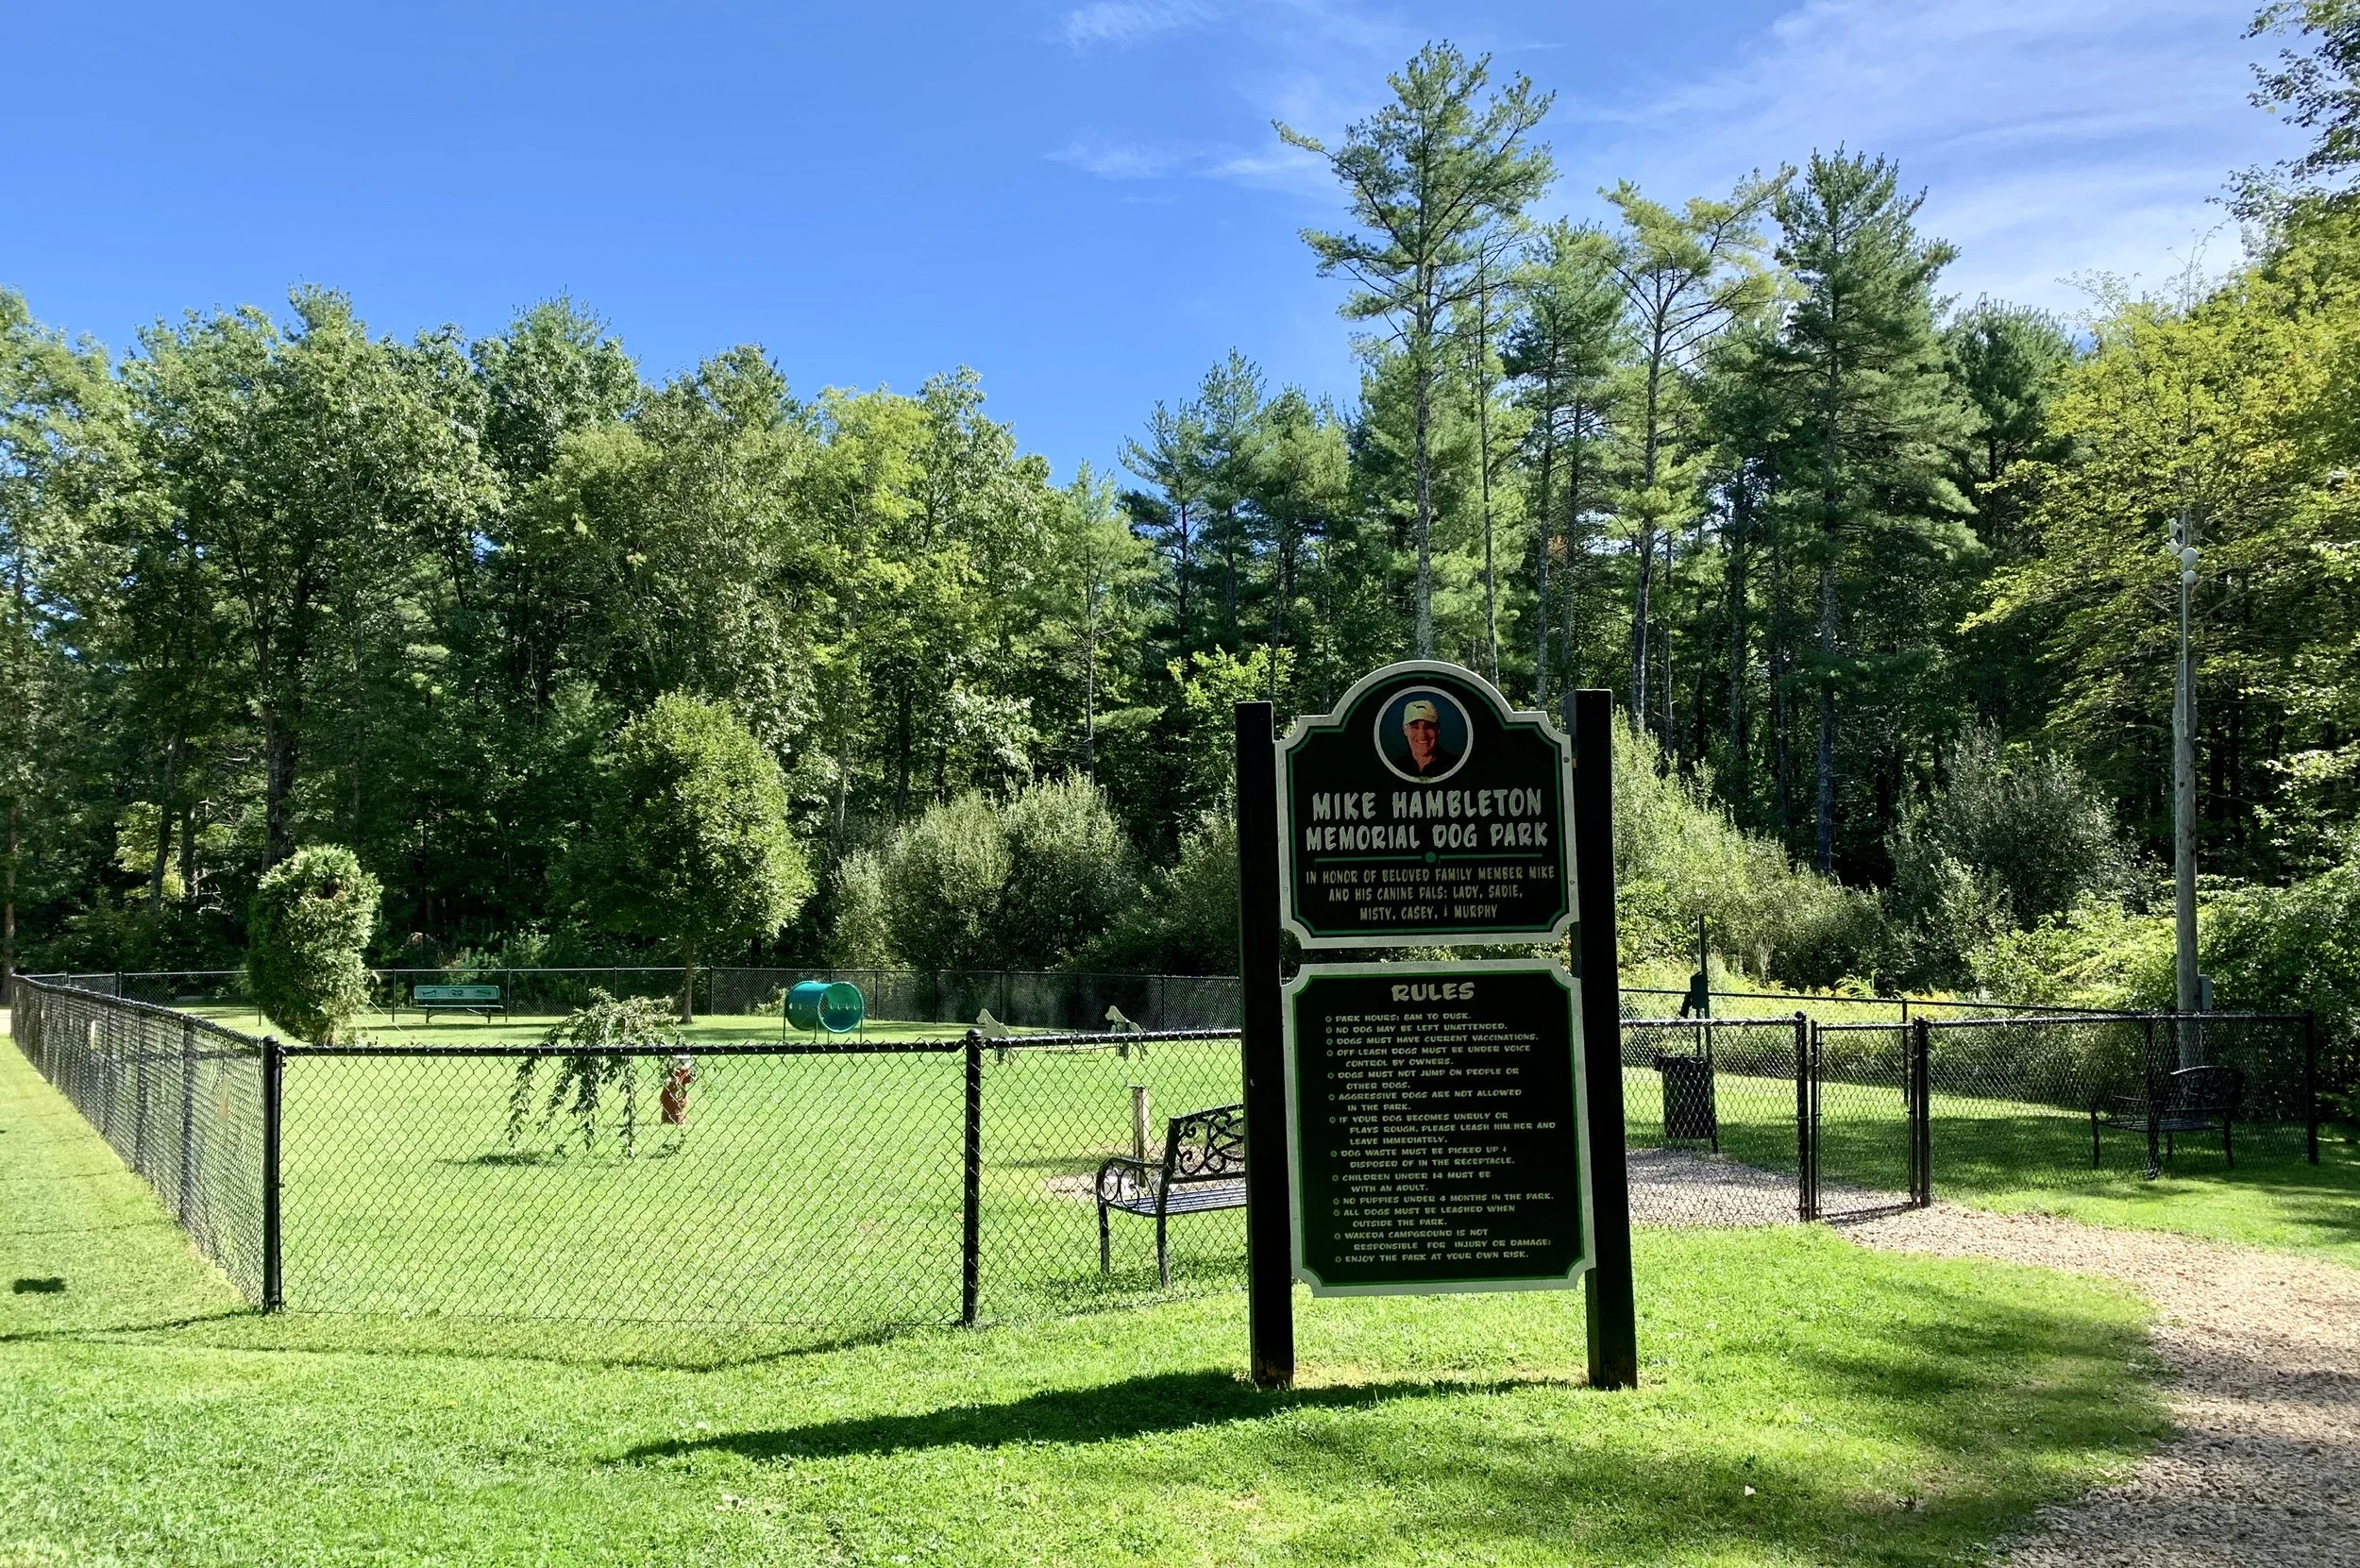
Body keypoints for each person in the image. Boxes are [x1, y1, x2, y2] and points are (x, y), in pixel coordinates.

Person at [1391, 697, 1459, 777]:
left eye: (1428, 727)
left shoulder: (1457, 765)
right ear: (1405, 730)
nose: (1422, 734)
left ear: (1437, 729)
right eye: (1415, 727)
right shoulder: (1394, 769)